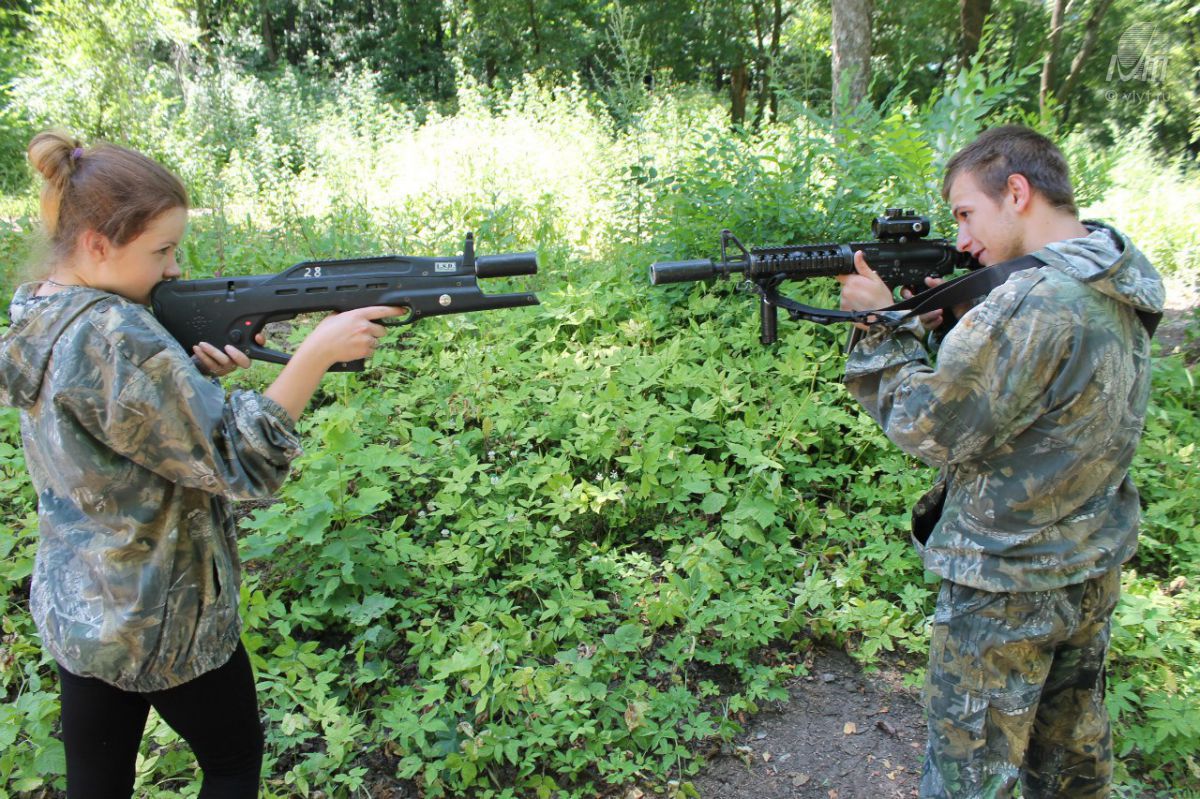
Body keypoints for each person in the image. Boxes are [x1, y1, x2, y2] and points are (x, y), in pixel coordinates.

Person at [0, 130, 404, 798]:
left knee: (95, 784)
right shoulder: (117, 334)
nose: (173, 268)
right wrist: (315, 354)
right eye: (160, 250)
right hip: (166, 615)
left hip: (83, 609)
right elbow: (238, 461)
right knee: (232, 763)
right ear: (97, 243)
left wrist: (185, 375)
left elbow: (116, 422)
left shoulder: (42, 308)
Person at [836, 124, 1163, 798]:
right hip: (1088, 565)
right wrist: (969, 321)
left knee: (968, 779)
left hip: (1005, 583)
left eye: (966, 213)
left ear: (1016, 191)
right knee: (1070, 767)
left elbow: (933, 426)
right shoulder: (1113, 270)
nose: (961, 240)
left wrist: (880, 326)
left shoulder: (1032, 301)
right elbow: (1046, 398)